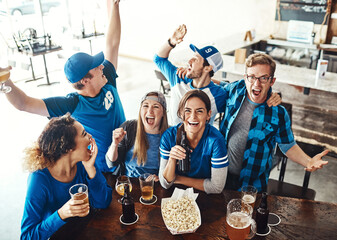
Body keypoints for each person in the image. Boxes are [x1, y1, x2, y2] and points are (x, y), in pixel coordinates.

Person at [3, 0, 125, 173]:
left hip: (128, 156)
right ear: (85, 80)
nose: (102, 66)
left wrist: (115, 5)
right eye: (96, 66)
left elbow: (112, 43)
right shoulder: (71, 104)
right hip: (103, 170)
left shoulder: (107, 79)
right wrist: (4, 80)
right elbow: (23, 103)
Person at [219, 53, 329, 192]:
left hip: (252, 185)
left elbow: (288, 145)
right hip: (220, 175)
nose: (256, 83)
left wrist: (308, 161)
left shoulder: (278, 113)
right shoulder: (236, 90)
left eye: (263, 78)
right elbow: (214, 86)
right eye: (252, 77)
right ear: (245, 77)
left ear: (272, 81)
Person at [153, 24, 281, 126]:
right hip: (172, 140)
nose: (189, 61)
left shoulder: (219, 94)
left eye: (196, 59)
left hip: (200, 147)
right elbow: (159, 59)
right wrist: (172, 42)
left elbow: (246, 92)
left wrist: (271, 94)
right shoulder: (178, 77)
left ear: (208, 68)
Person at [20, 114, 112, 240]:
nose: (90, 137)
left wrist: (91, 169)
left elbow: (103, 202)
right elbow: (26, 236)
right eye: (84, 134)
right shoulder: (39, 179)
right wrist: (61, 214)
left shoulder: (84, 162)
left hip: (89, 230)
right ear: (68, 147)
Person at [159, 90, 228, 194]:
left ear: (208, 115)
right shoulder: (168, 136)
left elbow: (217, 187)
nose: (193, 116)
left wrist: (178, 179)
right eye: (187, 110)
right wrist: (172, 159)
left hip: (205, 196)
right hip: (175, 196)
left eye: (199, 111)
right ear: (181, 113)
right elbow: (165, 183)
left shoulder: (216, 141)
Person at [106, 91, 169, 178]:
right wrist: (115, 144)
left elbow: (173, 171)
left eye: (156, 107)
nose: (150, 111)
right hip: (129, 184)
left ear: (163, 113)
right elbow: (111, 162)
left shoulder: (170, 135)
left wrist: (161, 178)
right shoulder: (129, 127)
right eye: (145, 106)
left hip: (155, 186)